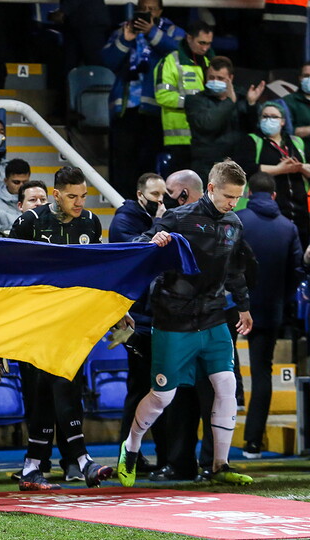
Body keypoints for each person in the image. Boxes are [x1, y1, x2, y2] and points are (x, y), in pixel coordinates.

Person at [118, 159, 254, 487]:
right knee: (163, 396)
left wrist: (245, 307)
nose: (232, 203)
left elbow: (234, 269)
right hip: (174, 319)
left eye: (237, 197)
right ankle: (131, 446)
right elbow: (137, 250)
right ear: (210, 188)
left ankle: (219, 465)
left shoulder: (234, 223)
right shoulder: (176, 218)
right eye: (227, 196)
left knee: (227, 387)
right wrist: (154, 242)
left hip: (213, 318)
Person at [10, 166, 113, 491]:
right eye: (72, 196)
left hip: (72, 322)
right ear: (56, 194)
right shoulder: (31, 222)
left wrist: (116, 310)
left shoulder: (90, 223)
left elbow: (97, 272)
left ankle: (33, 465)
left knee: (52, 389)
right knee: (54, 385)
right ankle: (81, 459)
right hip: (36, 322)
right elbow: (7, 275)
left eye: (83, 196)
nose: (79, 202)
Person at [236, 172, 303, 458]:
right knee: (263, 373)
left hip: (230, 305)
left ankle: (217, 445)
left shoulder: (237, 220)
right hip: (268, 309)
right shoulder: (288, 227)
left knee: (221, 370)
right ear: (274, 195)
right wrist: (280, 298)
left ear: (249, 193)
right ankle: (253, 443)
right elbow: (296, 271)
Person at [108, 172, 169, 473]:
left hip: (154, 316)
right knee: (137, 388)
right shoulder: (124, 221)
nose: (161, 200)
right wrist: (160, 223)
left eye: (164, 195)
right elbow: (137, 253)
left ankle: (154, 452)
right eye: (155, 194)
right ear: (140, 193)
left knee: (156, 388)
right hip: (133, 320)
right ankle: (129, 450)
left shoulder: (155, 216)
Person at [102, 0, 183, 194]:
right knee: (123, 160)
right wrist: (125, 39)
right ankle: (121, 202)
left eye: (151, 10)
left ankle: (148, 203)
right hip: (126, 106)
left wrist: (152, 32)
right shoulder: (124, 29)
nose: (146, 13)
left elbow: (179, 53)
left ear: (160, 11)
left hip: (156, 108)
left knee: (148, 160)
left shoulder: (172, 30)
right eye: (142, 10)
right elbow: (106, 61)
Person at [235, 101, 310, 249]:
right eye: (265, 116)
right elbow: (246, 169)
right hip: (268, 211)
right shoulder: (252, 140)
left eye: (274, 117)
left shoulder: (296, 141)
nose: (269, 120)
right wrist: (279, 169)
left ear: (282, 121)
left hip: (300, 210)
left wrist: (299, 167)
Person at [186, 56, 263, 181]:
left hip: (238, 165)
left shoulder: (243, 98)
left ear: (230, 78)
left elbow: (253, 129)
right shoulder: (195, 100)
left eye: (220, 78)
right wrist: (229, 102)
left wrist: (251, 105)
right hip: (207, 167)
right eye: (211, 77)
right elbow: (207, 124)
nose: (215, 81)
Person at [155, 20, 214, 174]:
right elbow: (162, 96)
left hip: (204, 138)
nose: (205, 48)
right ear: (189, 38)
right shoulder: (170, 62)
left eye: (208, 44)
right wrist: (191, 102)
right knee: (179, 190)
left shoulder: (209, 62)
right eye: (201, 43)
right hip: (178, 140)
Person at [0, 159, 32, 237]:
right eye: (16, 182)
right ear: (6, 181)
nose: (21, 186)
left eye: (25, 182)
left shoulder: (37, 201)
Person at [282, 63, 310, 140]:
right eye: (306, 76)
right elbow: (287, 131)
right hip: (301, 149)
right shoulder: (288, 101)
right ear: (300, 78)